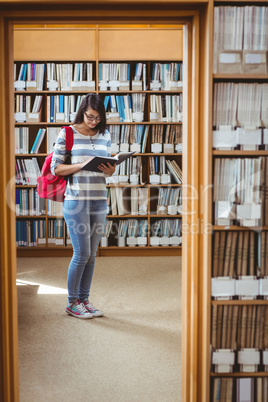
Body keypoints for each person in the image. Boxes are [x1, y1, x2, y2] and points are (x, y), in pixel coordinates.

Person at [51, 93, 115, 319]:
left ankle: (84, 300)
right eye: (90, 116)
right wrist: (82, 164)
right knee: (81, 253)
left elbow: (108, 169)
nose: (93, 122)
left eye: (98, 118)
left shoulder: (105, 134)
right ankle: (71, 302)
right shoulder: (67, 133)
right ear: (82, 112)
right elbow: (56, 169)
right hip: (76, 200)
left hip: (99, 198)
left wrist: (110, 170)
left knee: (92, 255)